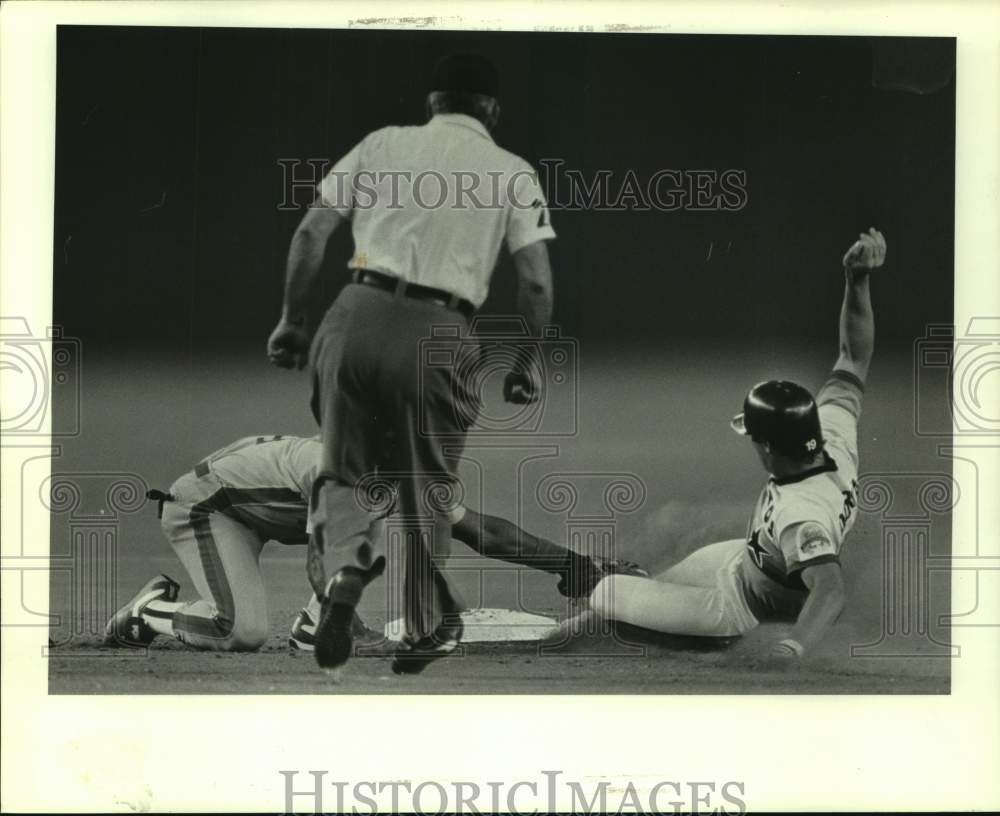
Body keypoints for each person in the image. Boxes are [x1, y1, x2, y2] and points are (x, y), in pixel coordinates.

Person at [266, 54, 559, 674]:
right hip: (438, 329)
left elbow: (311, 234)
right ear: (492, 110)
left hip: (354, 311)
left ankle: (346, 567)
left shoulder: (381, 144)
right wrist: (524, 362)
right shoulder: (512, 171)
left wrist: (294, 321)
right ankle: (425, 627)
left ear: (432, 102)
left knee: (343, 470)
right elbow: (534, 284)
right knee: (426, 487)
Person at [584, 228, 886, 659]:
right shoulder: (833, 433)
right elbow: (853, 355)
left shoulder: (802, 515)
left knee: (606, 592)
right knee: (649, 583)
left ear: (767, 447)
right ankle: (617, 619)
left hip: (736, 607)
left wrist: (793, 647)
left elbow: (830, 588)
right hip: (743, 561)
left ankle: (698, 637)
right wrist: (857, 280)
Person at [103, 434, 642, 652]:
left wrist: (574, 567)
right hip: (207, 509)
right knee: (239, 631)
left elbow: (479, 530)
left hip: (268, 509)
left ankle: (318, 623)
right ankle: (152, 610)